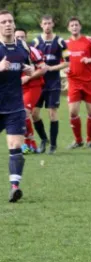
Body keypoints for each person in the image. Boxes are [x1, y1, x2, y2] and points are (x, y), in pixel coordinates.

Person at [0, 10, 35, 202]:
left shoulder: (22, 46)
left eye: (10, 21)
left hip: (14, 105)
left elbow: (28, 66)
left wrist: (30, 69)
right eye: (3, 22)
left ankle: (15, 187)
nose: (7, 24)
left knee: (15, 146)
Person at [31, 15, 69, 154]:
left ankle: (53, 145)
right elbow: (30, 62)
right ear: (41, 25)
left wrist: (50, 68)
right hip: (38, 83)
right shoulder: (34, 42)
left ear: (53, 24)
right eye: (45, 23)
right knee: (34, 113)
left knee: (52, 113)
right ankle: (43, 139)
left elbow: (67, 61)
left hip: (53, 83)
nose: (47, 26)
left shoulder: (61, 42)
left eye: (49, 23)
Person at [65, 17, 91, 149]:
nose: (74, 27)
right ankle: (78, 140)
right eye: (72, 25)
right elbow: (62, 61)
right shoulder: (65, 44)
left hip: (89, 81)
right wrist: (64, 67)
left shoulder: (89, 40)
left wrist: (90, 59)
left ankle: (89, 139)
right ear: (68, 28)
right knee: (73, 113)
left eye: (76, 25)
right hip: (74, 81)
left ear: (80, 27)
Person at [15, 28, 47, 154]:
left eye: (22, 37)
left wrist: (28, 76)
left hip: (33, 86)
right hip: (18, 88)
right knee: (19, 116)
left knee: (24, 113)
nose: (19, 39)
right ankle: (28, 144)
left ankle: (31, 144)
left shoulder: (32, 51)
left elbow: (43, 69)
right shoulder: (9, 52)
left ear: (26, 38)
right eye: (17, 37)